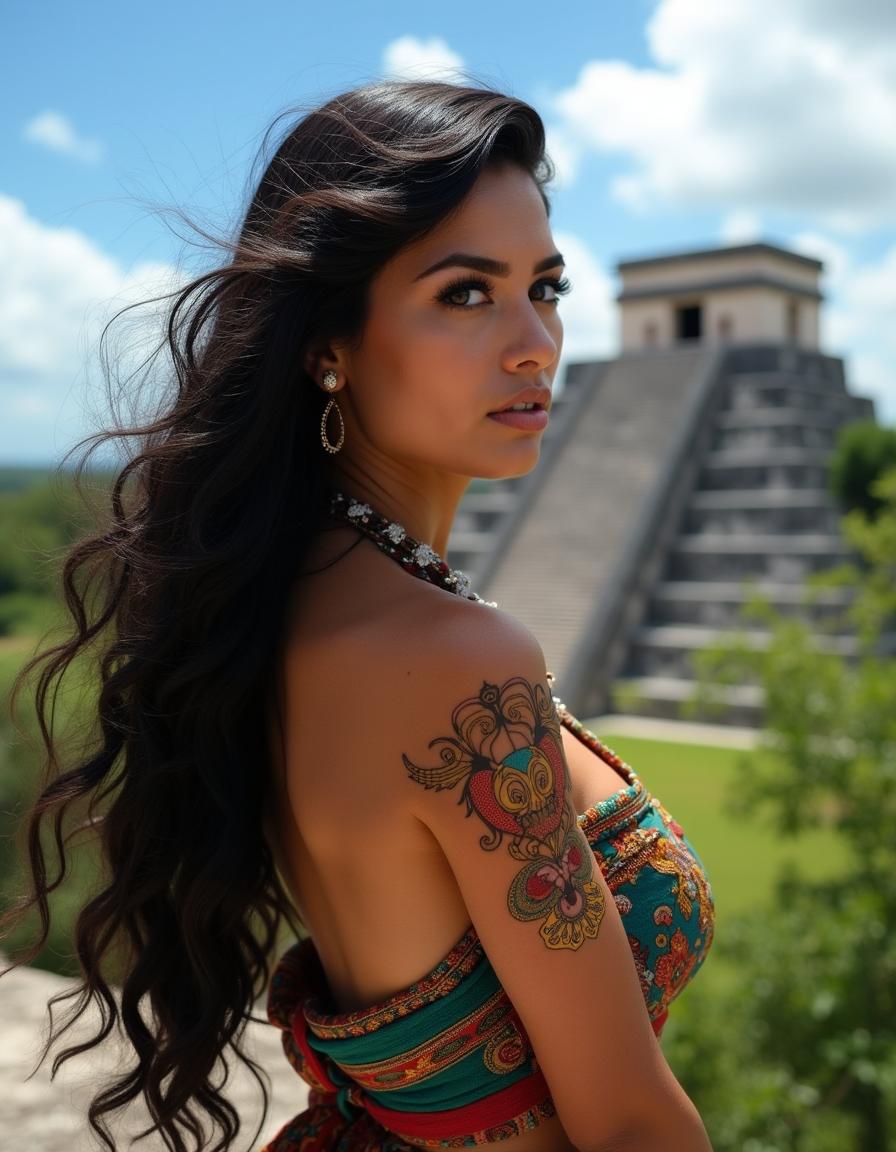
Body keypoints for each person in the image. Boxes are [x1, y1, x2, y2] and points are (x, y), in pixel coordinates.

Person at [2, 79, 715, 1151]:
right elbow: (623, 1118)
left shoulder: (277, 601)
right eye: (465, 294)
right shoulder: (452, 663)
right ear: (325, 344)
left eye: (547, 288)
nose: (534, 343)